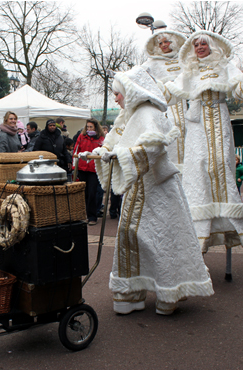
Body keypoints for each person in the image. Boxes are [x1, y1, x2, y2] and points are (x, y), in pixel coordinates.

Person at [91, 66, 214, 315]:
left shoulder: (149, 112)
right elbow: (114, 140)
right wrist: (103, 151)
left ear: (131, 91)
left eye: (118, 93)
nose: (115, 98)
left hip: (158, 191)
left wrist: (121, 155)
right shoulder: (128, 116)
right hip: (138, 188)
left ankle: (168, 292)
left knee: (161, 239)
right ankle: (130, 292)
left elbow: (153, 147)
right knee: (130, 236)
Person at [162, 30, 243, 252]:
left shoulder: (223, 65)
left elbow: (240, 91)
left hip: (220, 118)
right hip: (197, 123)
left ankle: (228, 226)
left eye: (203, 44)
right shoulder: (188, 69)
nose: (199, 47)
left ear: (211, 46)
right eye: (196, 44)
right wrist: (150, 88)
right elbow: (170, 93)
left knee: (221, 164)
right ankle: (199, 231)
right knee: (198, 167)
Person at [142, 30, 187, 170]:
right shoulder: (153, 62)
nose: (163, 45)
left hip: (185, 104)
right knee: (170, 132)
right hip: (165, 105)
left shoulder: (183, 59)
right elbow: (138, 74)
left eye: (166, 42)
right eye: (160, 43)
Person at [74, 118, 105, 225]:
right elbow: (76, 150)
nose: (89, 129)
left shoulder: (101, 138)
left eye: (91, 127)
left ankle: (92, 216)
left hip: (93, 169)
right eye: (87, 127)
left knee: (92, 193)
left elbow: (103, 151)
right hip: (82, 168)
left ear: (96, 127)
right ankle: (84, 215)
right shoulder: (81, 136)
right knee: (84, 193)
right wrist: (74, 166)